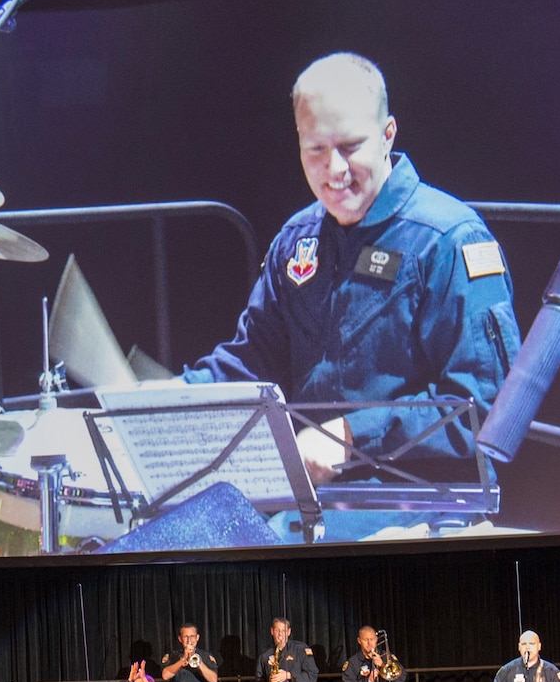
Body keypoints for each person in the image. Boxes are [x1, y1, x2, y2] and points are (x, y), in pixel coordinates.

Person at [181, 53, 522, 539]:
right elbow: (250, 361)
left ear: (388, 135)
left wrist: (350, 436)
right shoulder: (297, 240)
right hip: (310, 501)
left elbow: (488, 410)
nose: (333, 169)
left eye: (349, 146)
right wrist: (163, 403)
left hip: (418, 505)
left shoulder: (448, 239)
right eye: (316, 149)